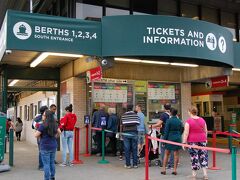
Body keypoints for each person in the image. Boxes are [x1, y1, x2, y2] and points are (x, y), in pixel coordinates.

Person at [182, 106, 208, 180]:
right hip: (202, 140)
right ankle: (205, 174)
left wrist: (184, 142)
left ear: (190, 112)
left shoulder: (189, 121)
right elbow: (205, 130)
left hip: (192, 141)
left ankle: (194, 175)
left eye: (188, 111)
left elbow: (186, 133)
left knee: (194, 157)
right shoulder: (202, 120)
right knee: (203, 156)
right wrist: (205, 139)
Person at [35, 109, 61, 180]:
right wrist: (56, 136)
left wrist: (37, 131)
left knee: (46, 164)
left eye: (43, 115)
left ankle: (46, 178)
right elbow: (60, 132)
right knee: (52, 162)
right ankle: (52, 177)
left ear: (46, 116)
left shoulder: (42, 125)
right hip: (53, 146)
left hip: (45, 146)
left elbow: (36, 135)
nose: (42, 116)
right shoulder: (55, 124)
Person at [161, 108, 183, 175]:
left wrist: (164, 141)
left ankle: (164, 169)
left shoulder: (169, 121)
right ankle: (175, 170)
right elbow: (182, 129)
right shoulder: (179, 121)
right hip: (177, 138)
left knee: (166, 153)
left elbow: (166, 131)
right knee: (176, 154)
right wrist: (179, 135)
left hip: (169, 138)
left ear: (170, 113)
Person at [151, 103, 174, 168]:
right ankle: (171, 164)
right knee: (172, 149)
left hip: (164, 134)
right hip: (171, 134)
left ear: (164, 108)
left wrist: (152, 126)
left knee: (163, 148)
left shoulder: (163, 115)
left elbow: (159, 123)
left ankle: (164, 163)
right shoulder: (173, 114)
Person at [121, 105, 140, 169]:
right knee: (134, 148)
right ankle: (135, 164)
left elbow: (122, 124)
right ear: (132, 108)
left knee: (127, 149)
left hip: (126, 133)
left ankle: (128, 164)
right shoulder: (135, 114)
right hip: (134, 132)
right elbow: (138, 123)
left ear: (127, 109)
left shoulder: (123, 115)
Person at [33, 105, 49, 171]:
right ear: (45, 111)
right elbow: (33, 126)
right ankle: (41, 166)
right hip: (41, 136)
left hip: (44, 136)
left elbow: (33, 126)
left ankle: (45, 165)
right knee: (42, 151)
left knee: (45, 151)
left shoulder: (37, 118)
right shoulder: (38, 118)